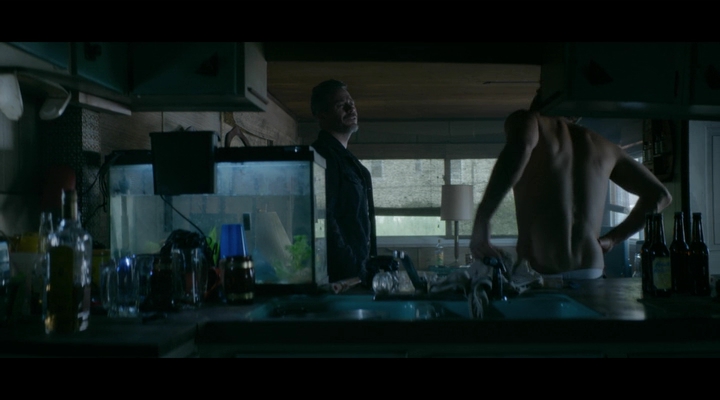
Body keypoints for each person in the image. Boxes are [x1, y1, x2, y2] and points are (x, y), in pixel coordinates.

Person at [469, 89, 672, 280]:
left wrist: (483, 218)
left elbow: (521, 146)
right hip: (591, 270)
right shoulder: (607, 147)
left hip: (542, 272)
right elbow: (660, 196)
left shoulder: (529, 120)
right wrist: (612, 240)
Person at [310, 79, 377, 282]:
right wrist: (352, 267)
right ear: (322, 114)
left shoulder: (348, 160)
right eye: (341, 105)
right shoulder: (323, 157)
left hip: (356, 274)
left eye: (351, 103)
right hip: (341, 278)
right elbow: (324, 219)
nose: (351, 108)